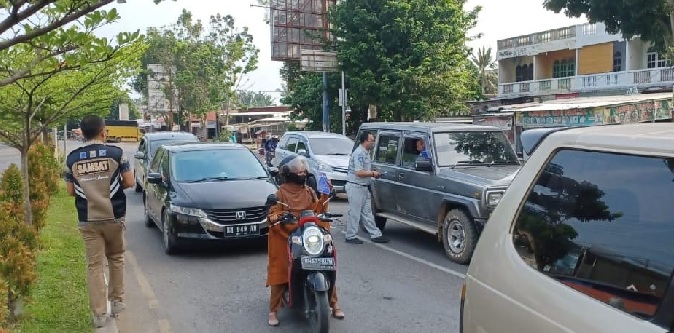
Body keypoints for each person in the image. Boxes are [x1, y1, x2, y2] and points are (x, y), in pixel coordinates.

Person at [63, 115, 134, 328]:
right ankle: (117, 301)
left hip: (88, 219)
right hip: (114, 217)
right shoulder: (117, 154)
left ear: (82, 133)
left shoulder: (72, 158)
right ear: (104, 132)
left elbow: (70, 191)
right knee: (116, 257)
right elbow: (129, 181)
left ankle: (99, 315)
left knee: (94, 265)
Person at [265, 155, 344, 326]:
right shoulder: (280, 193)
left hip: (307, 233)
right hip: (287, 233)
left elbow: (317, 210)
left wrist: (324, 196)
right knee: (281, 266)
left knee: (325, 262)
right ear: (288, 174)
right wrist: (275, 216)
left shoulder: (308, 191)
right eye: (298, 172)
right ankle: (273, 310)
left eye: (304, 171)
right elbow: (273, 213)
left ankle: (334, 302)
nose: (302, 174)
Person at [344, 131, 390, 244]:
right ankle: (350, 236)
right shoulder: (359, 153)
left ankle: (375, 234)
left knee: (368, 213)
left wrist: (372, 174)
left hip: (363, 187)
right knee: (354, 213)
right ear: (365, 141)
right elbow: (359, 172)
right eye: (371, 140)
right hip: (356, 186)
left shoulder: (365, 153)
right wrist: (373, 174)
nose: (373, 143)